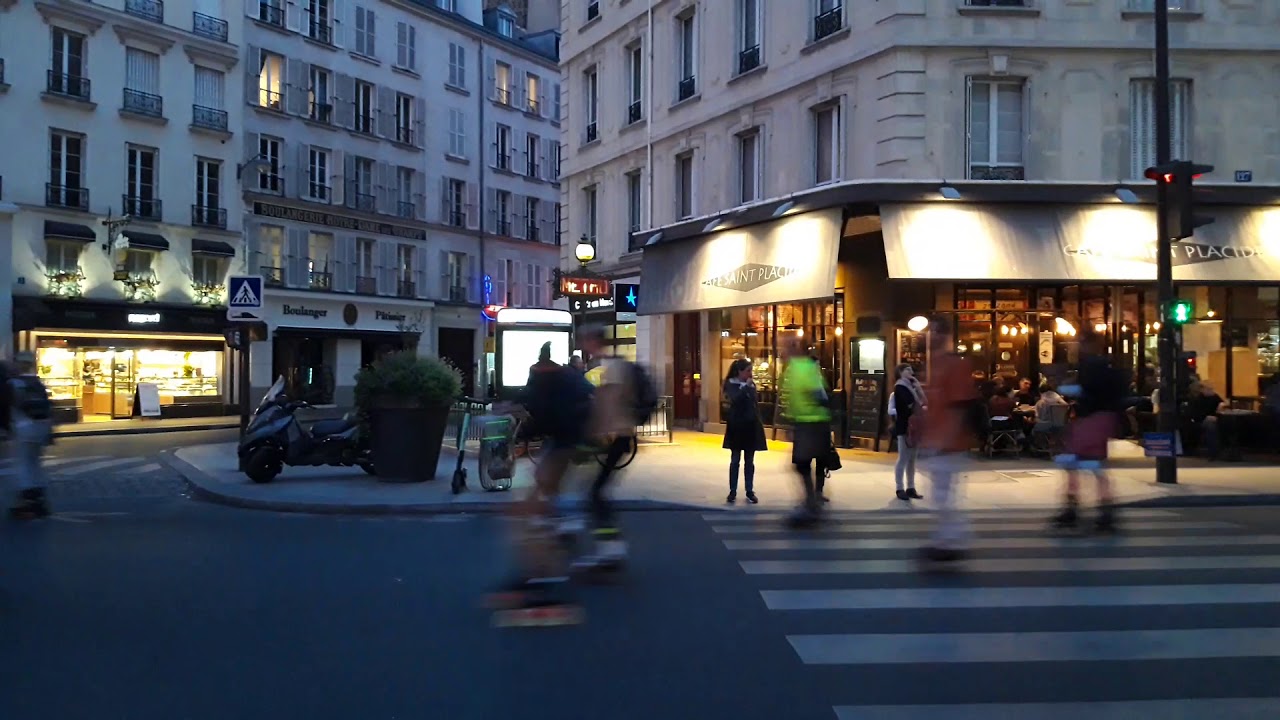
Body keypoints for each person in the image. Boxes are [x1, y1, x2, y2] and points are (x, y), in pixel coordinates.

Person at [489, 341, 594, 608]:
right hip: (570, 441)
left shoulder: (544, 379)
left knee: (532, 507)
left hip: (565, 442)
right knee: (540, 502)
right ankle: (545, 567)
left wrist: (516, 421)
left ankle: (541, 574)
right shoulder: (565, 376)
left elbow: (538, 411)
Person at [574, 324, 642, 570]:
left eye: (585, 340)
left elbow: (608, 406)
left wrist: (595, 433)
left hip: (615, 436)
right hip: (617, 436)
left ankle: (611, 548)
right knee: (596, 491)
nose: (583, 345)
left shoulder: (611, 369)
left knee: (596, 492)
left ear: (594, 341)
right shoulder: (614, 365)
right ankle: (610, 547)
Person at [1052, 330, 1127, 533]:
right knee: (1093, 465)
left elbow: (1085, 390)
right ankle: (1104, 511)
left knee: (1072, 461)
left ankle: (1072, 508)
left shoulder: (1090, 365)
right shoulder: (1108, 366)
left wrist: (1064, 388)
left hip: (1091, 418)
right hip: (1105, 418)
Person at [918, 318, 978, 565]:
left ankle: (952, 541)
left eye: (932, 332)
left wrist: (945, 438)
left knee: (943, 496)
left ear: (943, 334)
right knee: (940, 496)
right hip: (938, 441)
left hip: (949, 444)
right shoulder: (935, 365)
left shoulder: (954, 365)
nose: (928, 337)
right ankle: (948, 540)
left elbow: (958, 406)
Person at [780, 337, 831, 527]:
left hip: (812, 422)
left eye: (786, 346)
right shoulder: (794, 368)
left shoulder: (803, 368)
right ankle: (812, 503)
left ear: (796, 349)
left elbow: (818, 393)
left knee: (802, 464)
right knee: (801, 465)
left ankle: (812, 505)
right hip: (806, 422)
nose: (782, 351)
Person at [7, 352, 53, 519]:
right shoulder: (38, 383)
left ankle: (28, 500)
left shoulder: (14, 383)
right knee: (35, 462)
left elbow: (7, 407)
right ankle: (39, 496)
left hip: (23, 427)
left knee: (24, 464)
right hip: (41, 427)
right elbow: (48, 408)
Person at [721, 359, 766, 504]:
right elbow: (735, 400)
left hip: (750, 426)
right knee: (735, 460)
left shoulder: (751, 385)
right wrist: (745, 388)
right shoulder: (731, 384)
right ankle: (732, 490)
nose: (750, 374)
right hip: (737, 426)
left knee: (750, 460)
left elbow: (754, 404)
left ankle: (749, 490)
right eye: (748, 371)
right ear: (739, 371)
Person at [891, 363, 926, 502]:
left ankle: (911, 487)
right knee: (903, 457)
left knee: (912, 459)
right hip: (905, 426)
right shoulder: (900, 387)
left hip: (915, 426)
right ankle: (900, 487)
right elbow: (912, 404)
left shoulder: (912, 386)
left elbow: (924, 401)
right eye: (907, 369)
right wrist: (918, 398)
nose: (911, 371)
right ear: (900, 372)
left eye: (911, 369)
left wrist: (918, 388)